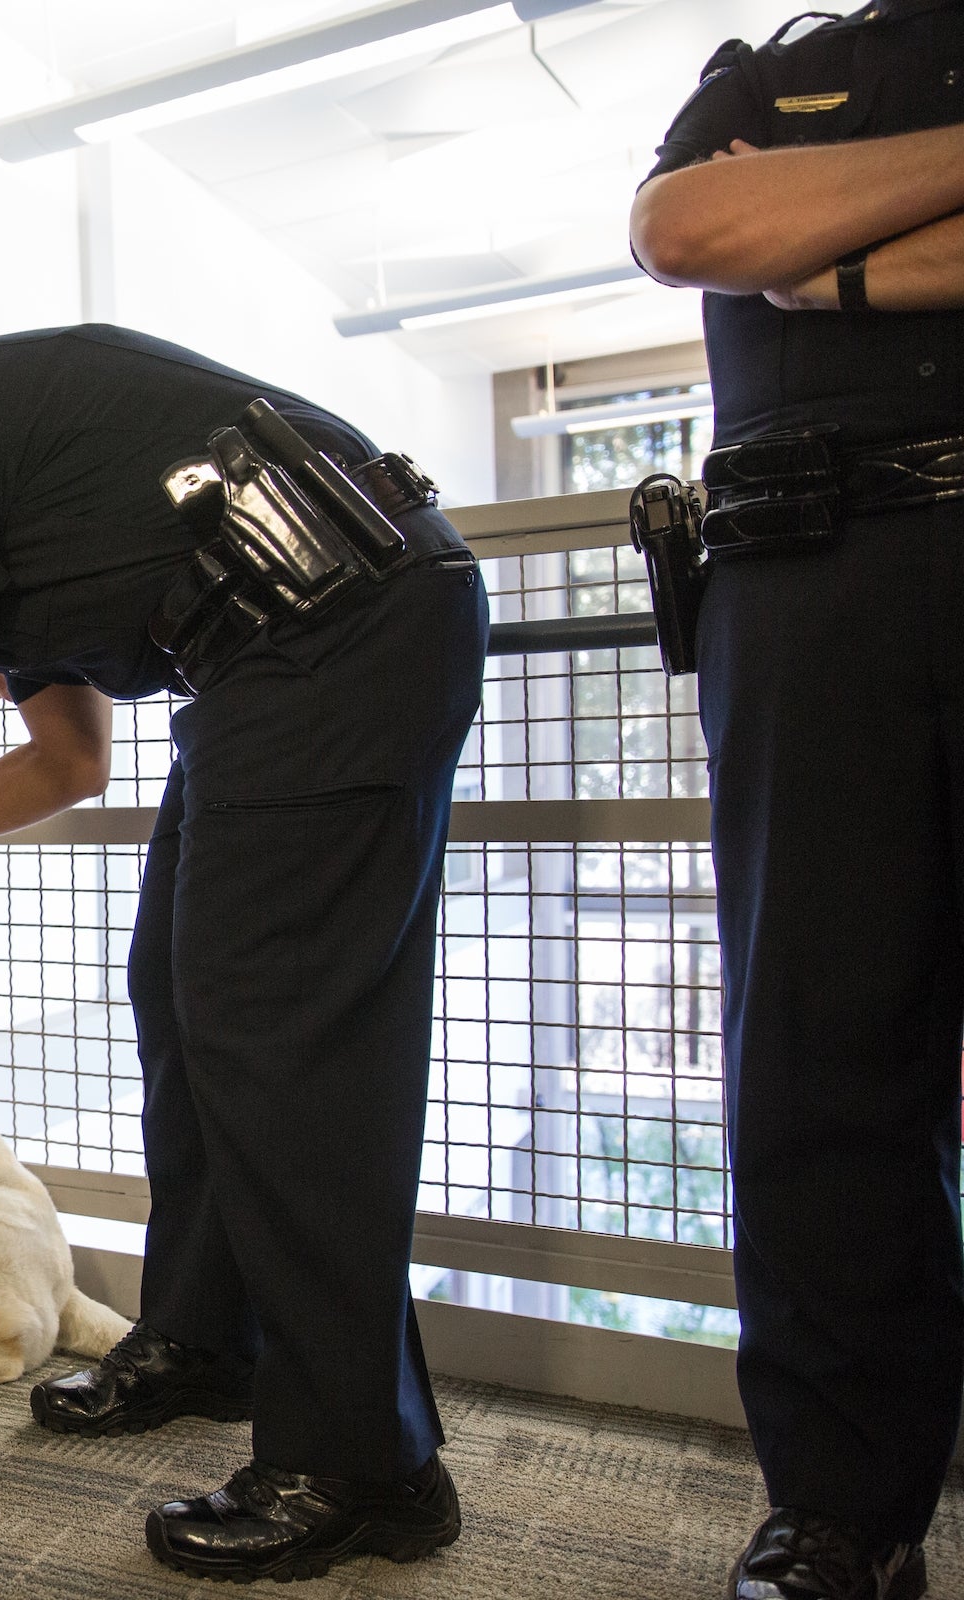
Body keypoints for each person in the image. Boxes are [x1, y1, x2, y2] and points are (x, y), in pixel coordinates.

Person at [0, 333, 488, 1584]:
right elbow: (67, 760)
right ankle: (208, 1337)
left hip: (330, 629)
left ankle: (365, 1464)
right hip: (273, 651)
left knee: (282, 1040)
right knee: (183, 995)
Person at [631, 4, 964, 1595]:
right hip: (805, 571)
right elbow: (692, 224)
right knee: (816, 1047)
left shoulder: (807, 114)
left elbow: (777, 233)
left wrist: (833, 248)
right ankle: (842, 1507)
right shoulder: (776, 65)